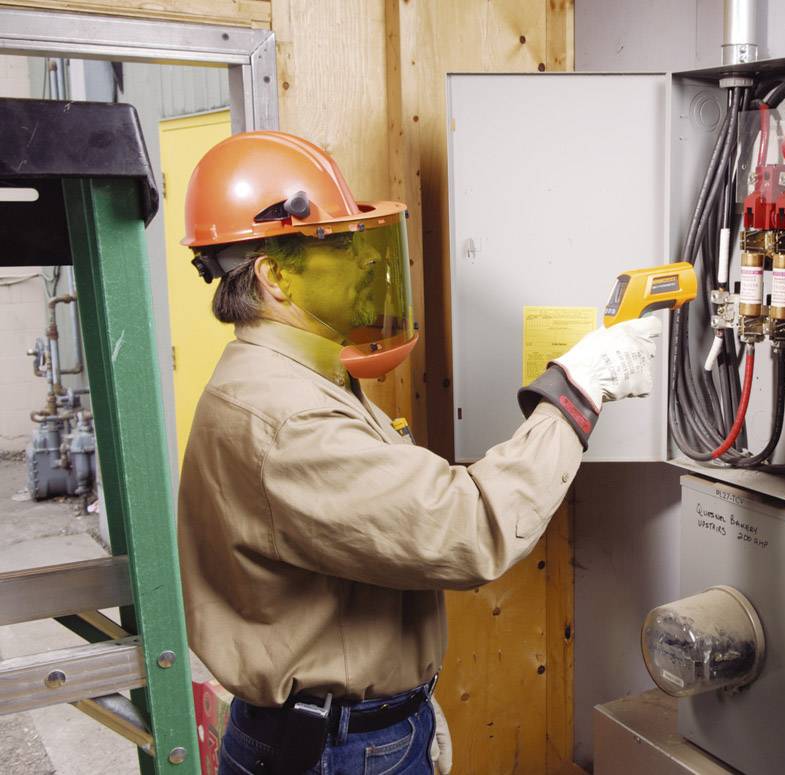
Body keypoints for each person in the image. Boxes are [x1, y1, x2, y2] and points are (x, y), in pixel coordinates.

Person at [174, 131, 661, 774]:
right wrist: (578, 391)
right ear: (275, 277)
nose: (367, 266)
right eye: (339, 248)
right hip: (335, 748)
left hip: (346, 731)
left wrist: (407, 710)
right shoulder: (288, 417)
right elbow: (469, 526)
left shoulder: (294, 381)